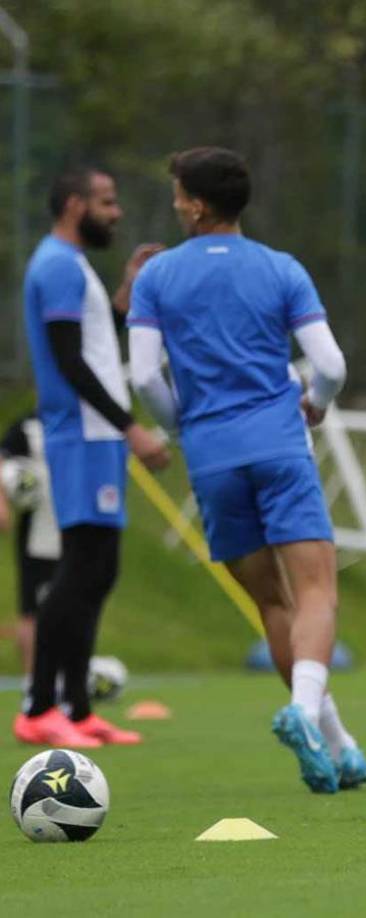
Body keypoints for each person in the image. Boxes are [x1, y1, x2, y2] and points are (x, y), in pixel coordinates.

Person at [128, 146, 366, 794]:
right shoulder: (281, 269)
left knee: (271, 601)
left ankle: (338, 742)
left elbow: (144, 374)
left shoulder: (156, 277)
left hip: (211, 458)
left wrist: (183, 427)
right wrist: (315, 403)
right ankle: (301, 713)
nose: (175, 204)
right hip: (280, 446)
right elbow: (333, 365)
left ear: (198, 204)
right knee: (317, 593)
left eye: (179, 194)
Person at [14, 166, 170, 749]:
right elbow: (69, 361)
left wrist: (124, 294)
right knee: (78, 570)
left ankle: (78, 710)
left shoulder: (72, 265)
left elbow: (95, 343)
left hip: (96, 435)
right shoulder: (55, 264)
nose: (117, 212)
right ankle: (37, 707)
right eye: (107, 202)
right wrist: (131, 427)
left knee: (100, 570)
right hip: (81, 433)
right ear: (75, 203)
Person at [0, 414, 60, 702]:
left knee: (69, 607)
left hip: (74, 530)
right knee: (31, 611)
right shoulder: (26, 427)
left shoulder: (77, 420)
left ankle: (62, 679)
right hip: (37, 535)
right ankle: (31, 685)